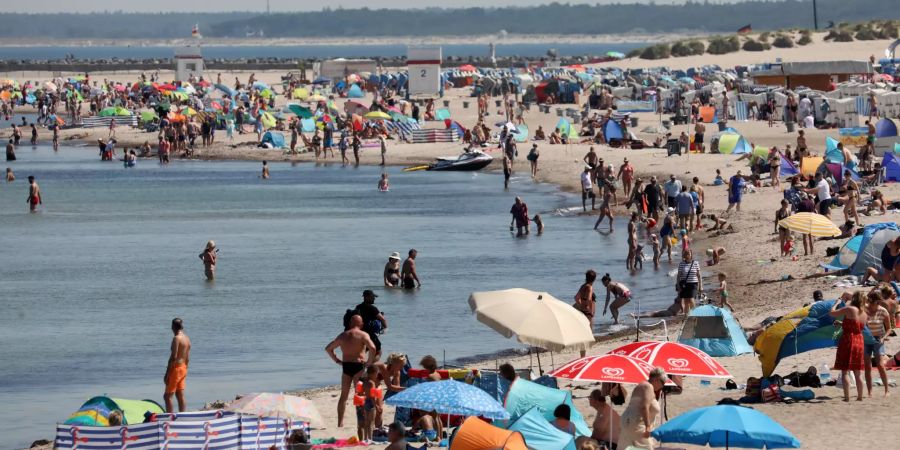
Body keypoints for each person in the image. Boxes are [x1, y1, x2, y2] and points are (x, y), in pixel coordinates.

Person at [325, 314, 377, 427]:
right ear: (361, 324)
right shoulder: (363, 335)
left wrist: (337, 360)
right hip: (359, 366)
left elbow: (328, 348)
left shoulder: (343, 335)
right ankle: (361, 421)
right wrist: (369, 361)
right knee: (359, 394)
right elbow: (373, 348)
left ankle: (340, 423)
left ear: (350, 324)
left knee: (343, 396)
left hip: (346, 366)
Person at [829, 292, 866, 402]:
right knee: (857, 372)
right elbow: (857, 326)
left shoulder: (850, 309)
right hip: (859, 340)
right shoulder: (864, 313)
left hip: (848, 340)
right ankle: (859, 397)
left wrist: (837, 303)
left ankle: (847, 398)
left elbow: (831, 313)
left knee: (845, 371)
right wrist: (842, 323)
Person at [618, 368, 666, 450]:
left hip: (630, 422)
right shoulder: (648, 386)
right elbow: (644, 407)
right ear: (657, 379)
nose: (662, 386)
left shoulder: (644, 385)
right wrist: (648, 427)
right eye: (663, 383)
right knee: (647, 448)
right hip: (637, 424)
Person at [864, 290, 890, 397]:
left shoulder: (883, 311)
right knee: (867, 366)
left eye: (873, 302)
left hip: (878, 339)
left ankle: (887, 390)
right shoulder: (864, 310)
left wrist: (884, 338)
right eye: (870, 302)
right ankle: (870, 391)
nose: (870, 304)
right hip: (866, 339)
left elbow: (889, 329)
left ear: (878, 302)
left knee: (880, 365)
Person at [164, 318, 191, 413]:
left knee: (167, 396)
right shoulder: (187, 338)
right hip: (183, 367)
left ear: (173, 327)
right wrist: (185, 368)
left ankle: (169, 418)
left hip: (176, 369)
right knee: (179, 394)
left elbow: (173, 357)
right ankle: (183, 416)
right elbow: (187, 357)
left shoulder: (176, 338)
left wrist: (167, 373)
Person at [353, 290, 387, 359]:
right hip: (370, 334)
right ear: (367, 297)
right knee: (378, 352)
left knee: (363, 351)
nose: (374, 298)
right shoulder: (372, 308)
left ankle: (360, 365)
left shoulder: (358, 307)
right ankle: (371, 365)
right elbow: (383, 319)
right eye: (372, 297)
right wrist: (385, 329)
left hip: (359, 333)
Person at [575, 270, 597, 356]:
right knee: (587, 335)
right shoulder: (589, 287)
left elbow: (576, 298)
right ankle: (583, 356)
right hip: (587, 313)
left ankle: (582, 355)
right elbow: (588, 300)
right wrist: (588, 308)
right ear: (594, 279)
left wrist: (580, 306)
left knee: (583, 334)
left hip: (582, 311)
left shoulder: (583, 286)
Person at [676, 250, 701, 316]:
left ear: (691, 255)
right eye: (686, 254)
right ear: (684, 255)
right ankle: (687, 315)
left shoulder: (696, 263)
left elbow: (699, 275)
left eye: (689, 254)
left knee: (691, 299)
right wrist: (678, 285)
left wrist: (701, 286)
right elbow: (679, 275)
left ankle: (695, 314)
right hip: (684, 285)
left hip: (693, 284)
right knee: (686, 301)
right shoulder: (681, 264)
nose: (687, 255)